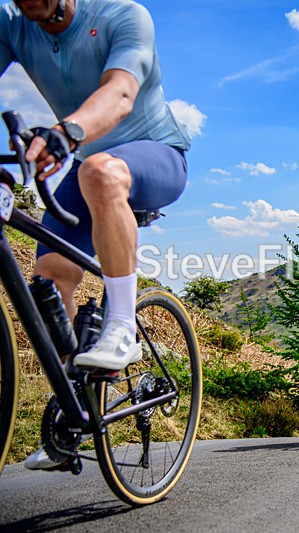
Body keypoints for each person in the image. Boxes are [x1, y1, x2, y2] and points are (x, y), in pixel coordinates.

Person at [1, 0, 190, 469]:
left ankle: (122, 326)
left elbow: (121, 92)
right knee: (46, 279)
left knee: (101, 173)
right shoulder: (13, 26)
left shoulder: (122, 15)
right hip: (85, 161)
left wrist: (68, 132)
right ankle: (71, 413)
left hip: (155, 153)